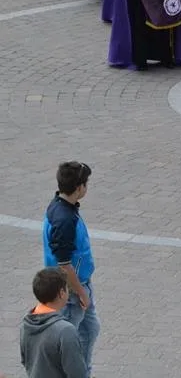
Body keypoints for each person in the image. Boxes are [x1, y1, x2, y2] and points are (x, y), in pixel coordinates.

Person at [42, 161, 99, 376]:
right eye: (86, 183)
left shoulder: (61, 206)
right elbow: (64, 264)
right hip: (71, 289)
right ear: (79, 188)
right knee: (69, 339)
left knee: (90, 329)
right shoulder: (65, 220)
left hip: (79, 285)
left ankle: (82, 371)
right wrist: (80, 291)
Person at [19, 268, 87, 378]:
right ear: (61, 293)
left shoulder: (26, 323)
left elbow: (25, 360)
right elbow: (77, 373)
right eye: (67, 288)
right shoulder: (65, 330)